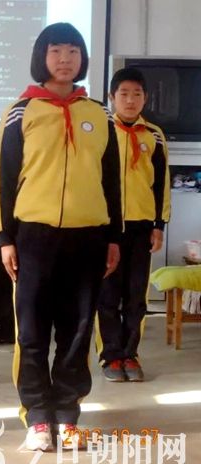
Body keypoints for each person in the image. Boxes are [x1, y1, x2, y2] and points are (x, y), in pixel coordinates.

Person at [0, 23, 122, 451]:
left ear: (82, 58)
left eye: (72, 51)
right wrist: (5, 238)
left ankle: (67, 415)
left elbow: (111, 181)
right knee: (32, 331)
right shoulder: (20, 112)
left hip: (89, 237)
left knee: (78, 330)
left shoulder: (100, 114)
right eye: (55, 51)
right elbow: (4, 179)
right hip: (34, 237)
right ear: (42, 57)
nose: (65, 59)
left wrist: (114, 237)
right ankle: (37, 418)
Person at [96, 68, 170, 383]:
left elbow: (161, 184)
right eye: (124, 94)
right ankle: (110, 355)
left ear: (145, 98)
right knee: (107, 294)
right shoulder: (101, 130)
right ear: (112, 97)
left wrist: (159, 224)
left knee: (136, 296)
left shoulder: (153, 135)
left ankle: (130, 353)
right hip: (105, 228)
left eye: (136, 94)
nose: (130, 100)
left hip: (141, 226)